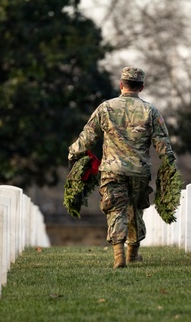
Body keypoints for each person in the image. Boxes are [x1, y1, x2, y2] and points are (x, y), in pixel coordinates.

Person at [68, 66, 177, 269]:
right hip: (139, 171)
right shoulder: (150, 111)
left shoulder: (106, 108)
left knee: (115, 209)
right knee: (135, 210)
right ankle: (132, 254)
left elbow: (88, 136)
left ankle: (119, 255)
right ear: (141, 87)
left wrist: (73, 153)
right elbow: (162, 143)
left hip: (112, 170)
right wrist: (169, 164)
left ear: (121, 85)